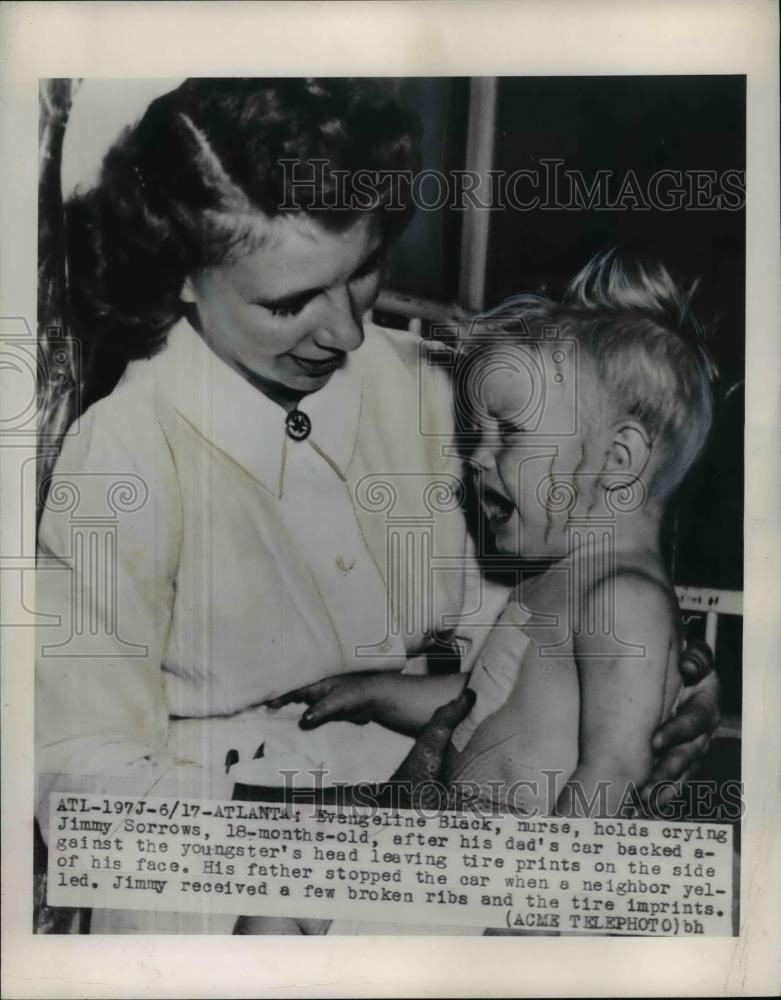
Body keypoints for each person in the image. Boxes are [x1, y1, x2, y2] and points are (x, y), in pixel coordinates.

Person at [35, 79, 719, 935]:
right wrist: (360, 828)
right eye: (289, 303)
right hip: (217, 857)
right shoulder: (129, 450)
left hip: (459, 831)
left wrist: (649, 697)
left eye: (362, 270)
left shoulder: (448, 393)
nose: (350, 335)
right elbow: (82, 786)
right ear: (180, 278)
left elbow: (535, 629)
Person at [274, 249, 719, 820]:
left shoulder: (623, 599)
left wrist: (539, 890)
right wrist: (378, 693)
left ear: (618, 459)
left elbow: (615, 770)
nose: (477, 457)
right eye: (478, 433)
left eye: (508, 431)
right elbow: (484, 697)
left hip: (522, 872)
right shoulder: (562, 578)